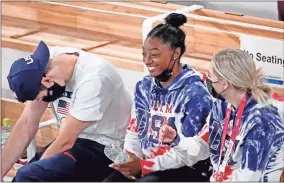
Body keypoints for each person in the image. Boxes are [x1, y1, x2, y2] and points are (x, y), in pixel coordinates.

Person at [103, 13, 213, 182]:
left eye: (154, 54)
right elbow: (135, 129)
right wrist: (131, 159)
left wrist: (145, 166)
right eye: (144, 54)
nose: (147, 60)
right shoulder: (143, 86)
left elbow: (191, 153)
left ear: (175, 54)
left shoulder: (196, 93)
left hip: (184, 168)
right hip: (148, 165)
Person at [1, 41, 132, 181]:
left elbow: (66, 141)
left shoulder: (95, 78)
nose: (40, 101)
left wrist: (35, 169)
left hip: (106, 148)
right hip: (75, 142)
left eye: (40, 98)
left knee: (29, 175)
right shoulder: (43, 66)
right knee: (23, 177)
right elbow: (27, 123)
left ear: (46, 81)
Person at [159, 48, 284, 182]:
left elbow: (248, 178)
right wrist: (176, 140)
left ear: (224, 84)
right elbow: (202, 146)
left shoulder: (263, 121)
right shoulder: (222, 106)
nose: (207, 81)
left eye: (210, 77)